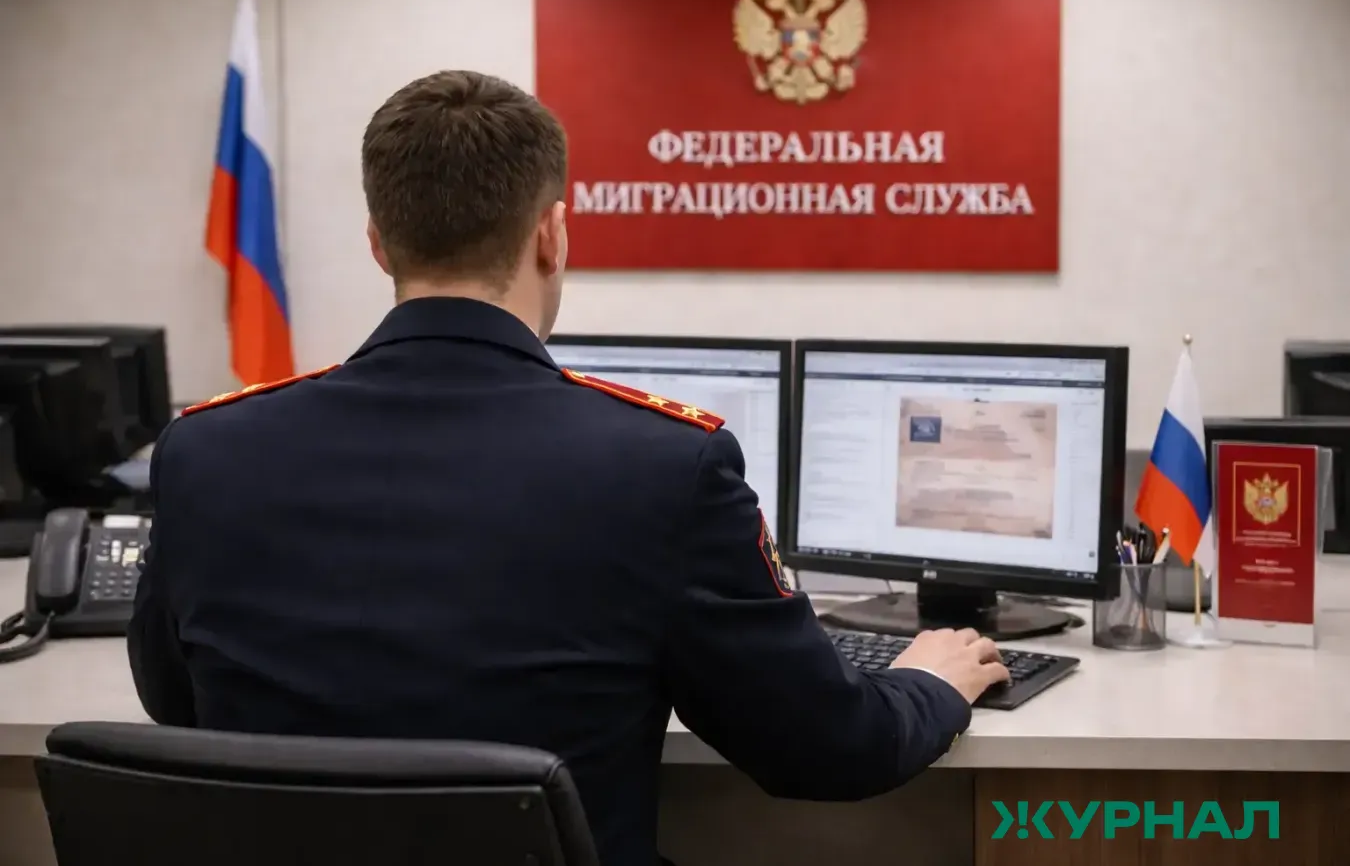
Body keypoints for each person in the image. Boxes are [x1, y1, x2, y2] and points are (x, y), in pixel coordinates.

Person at [128, 70, 1010, 866]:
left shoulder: (208, 448)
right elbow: (824, 750)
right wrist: (928, 684)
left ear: (378, 243)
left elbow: (176, 701)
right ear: (553, 236)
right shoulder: (667, 464)